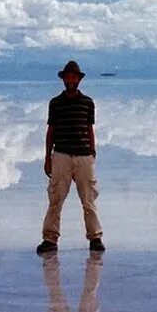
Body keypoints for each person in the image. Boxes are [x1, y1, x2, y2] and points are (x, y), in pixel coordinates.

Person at [37, 60, 105, 254]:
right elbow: (51, 131)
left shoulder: (87, 102)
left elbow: (89, 129)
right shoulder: (55, 103)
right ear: (63, 79)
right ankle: (50, 239)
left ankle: (95, 238)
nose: (70, 80)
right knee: (56, 199)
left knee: (88, 199)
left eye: (73, 77)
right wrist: (48, 157)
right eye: (68, 77)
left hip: (84, 157)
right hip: (61, 156)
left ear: (79, 79)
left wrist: (92, 151)